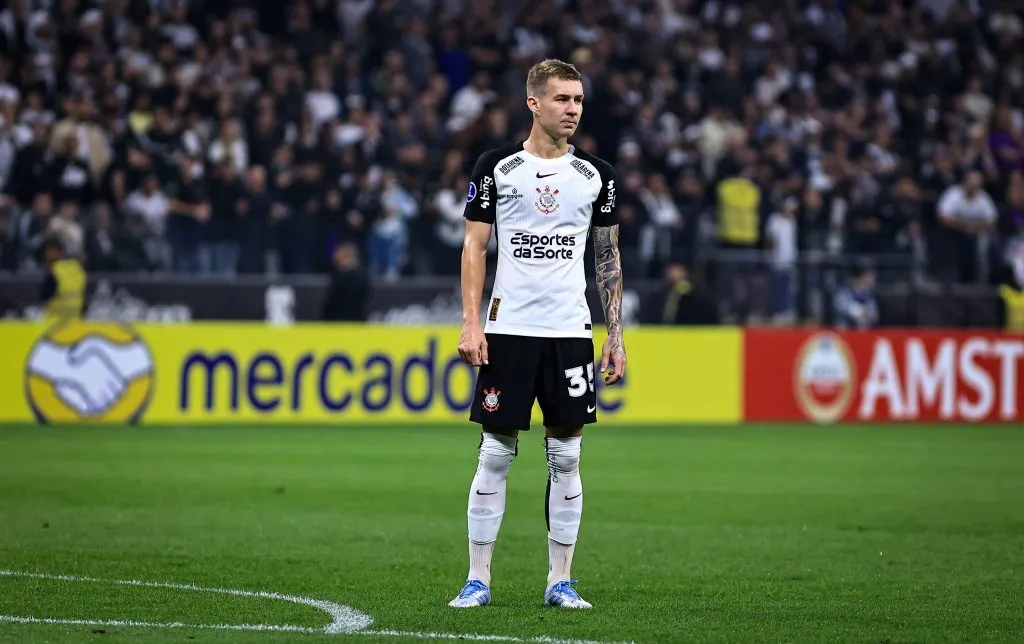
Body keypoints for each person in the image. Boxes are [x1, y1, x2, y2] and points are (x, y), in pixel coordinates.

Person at [450, 59, 626, 611]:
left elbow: (608, 257)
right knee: (496, 454)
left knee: (567, 457)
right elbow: (475, 246)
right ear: (534, 103)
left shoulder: (598, 175)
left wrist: (614, 336)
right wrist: (471, 321)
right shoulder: (497, 167)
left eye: (577, 100)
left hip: (570, 332)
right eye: (562, 99)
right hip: (508, 329)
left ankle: (560, 581)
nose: (572, 109)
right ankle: (478, 579)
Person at [39, 237, 86, 323]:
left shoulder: (54, 271)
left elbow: (44, 296)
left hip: (54, 324)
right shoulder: (77, 269)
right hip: (75, 323)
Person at [833, 261, 878, 329]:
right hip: (846, 331)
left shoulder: (868, 293)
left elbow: (874, 314)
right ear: (859, 277)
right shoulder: (845, 290)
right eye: (867, 276)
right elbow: (841, 306)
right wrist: (858, 311)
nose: (870, 279)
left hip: (864, 331)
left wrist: (867, 313)